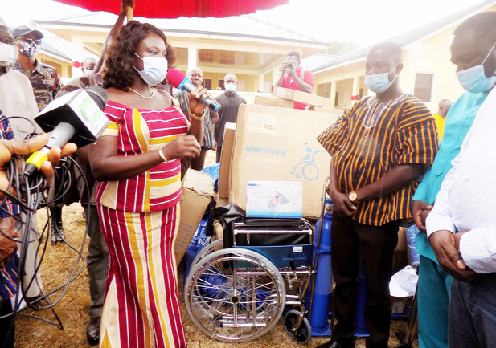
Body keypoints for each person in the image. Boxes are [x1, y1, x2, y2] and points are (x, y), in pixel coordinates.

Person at [88, 21, 208, 348]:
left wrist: (196, 117)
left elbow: (192, 152)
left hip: (167, 207)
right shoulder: (107, 101)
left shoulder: (167, 97)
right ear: (130, 56)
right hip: (129, 213)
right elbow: (100, 165)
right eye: (152, 52)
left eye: (164, 53)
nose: (162, 60)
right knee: (157, 292)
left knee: (133, 287)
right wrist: (162, 152)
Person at [316, 42, 438, 348]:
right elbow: (335, 147)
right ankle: (341, 340)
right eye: (368, 67)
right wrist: (335, 189)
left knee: (376, 286)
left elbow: (411, 168)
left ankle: (377, 343)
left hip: (378, 216)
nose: (372, 72)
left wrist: (356, 195)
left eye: (379, 66)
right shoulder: (358, 107)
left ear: (397, 67)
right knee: (343, 281)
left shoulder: (414, 110)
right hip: (343, 210)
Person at [411, 13, 495, 348]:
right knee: (436, 325)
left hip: (474, 257)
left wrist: (471, 248)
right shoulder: (468, 103)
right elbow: (452, 161)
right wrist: (430, 210)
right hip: (437, 232)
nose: (462, 71)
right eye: (456, 62)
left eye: (469, 61)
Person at [0, 21, 45, 304]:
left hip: (22, 171)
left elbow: (36, 126)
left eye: (6, 38)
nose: (6, 43)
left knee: (27, 230)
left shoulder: (21, 81)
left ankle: (31, 291)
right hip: (2, 173)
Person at [12, 25, 65, 246]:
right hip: (15, 136)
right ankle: (18, 222)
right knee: (17, 179)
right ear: (15, 42)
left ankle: (56, 224)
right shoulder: (8, 72)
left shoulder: (50, 73)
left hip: (45, 136)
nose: (32, 44)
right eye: (27, 39)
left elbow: (61, 101)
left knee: (55, 178)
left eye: (36, 40)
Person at [174, 67, 218, 170]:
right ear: (187, 77)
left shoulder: (206, 97)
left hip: (202, 140)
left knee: (198, 169)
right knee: (184, 168)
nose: (196, 78)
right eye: (193, 75)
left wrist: (211, 139)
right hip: (186, 140)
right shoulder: (178, 96)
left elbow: (213, 119)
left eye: (199, 76)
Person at [214, 73, 246, 163]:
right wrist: (214, 138)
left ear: (237, 84)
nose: (231, 83)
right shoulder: (217, 100)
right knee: (220, 165)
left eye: (233, 81)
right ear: (224, 83)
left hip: (237, 139)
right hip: (221, 139)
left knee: (235, 164)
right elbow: (213, 121)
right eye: (228, 81)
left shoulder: (242, 101)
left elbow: (244, 121)